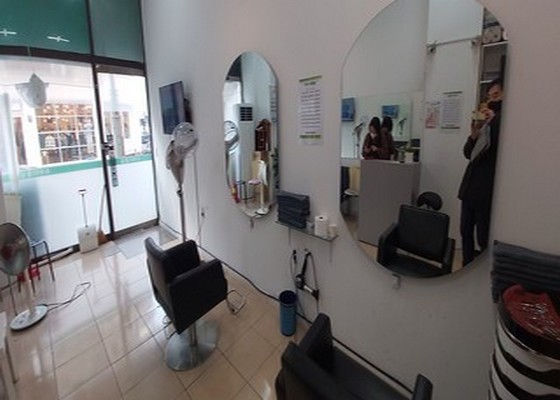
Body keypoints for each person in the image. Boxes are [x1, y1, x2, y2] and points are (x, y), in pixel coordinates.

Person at [458, 78, 503, 266]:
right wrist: (474, 134)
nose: (491, 100)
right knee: (465, 231)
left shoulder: (503, 123)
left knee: (483, 236)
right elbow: (468, 154)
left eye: (496, 95)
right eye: (489, 97)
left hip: (486, 191)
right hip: (469, 188)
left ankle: (482, 272)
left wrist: (495, 122)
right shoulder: (485, 124)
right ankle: (466, 266)